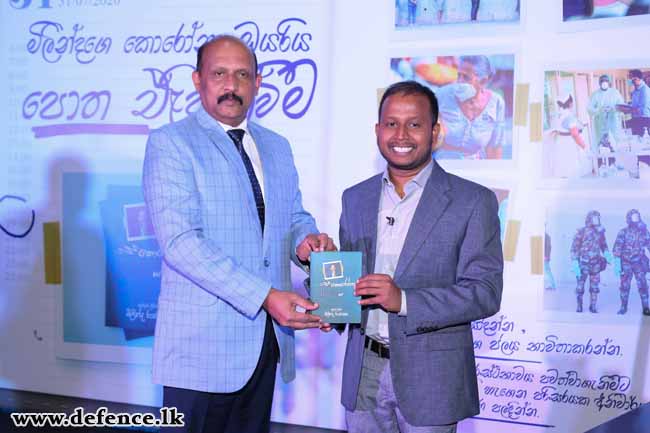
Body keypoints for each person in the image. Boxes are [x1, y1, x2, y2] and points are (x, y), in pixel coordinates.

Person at [142, 35, 334, 433]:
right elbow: (181, 243)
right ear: (198, 80)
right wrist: (265, 296)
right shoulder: (171, 143)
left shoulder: (277, 146)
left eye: (242, 74)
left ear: (258, 82)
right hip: (199, 353)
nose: (232, 85)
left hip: (264, 346)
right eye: (220, 73)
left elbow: (292, 215)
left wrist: (307, 241)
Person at [337, 81, 503, 432]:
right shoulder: (355, 199)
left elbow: (485, 292)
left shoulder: (473, 201)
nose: (401, 134)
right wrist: (323, 291)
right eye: (391, 123)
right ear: (378, 130)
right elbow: (351, 284)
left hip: (433, 378)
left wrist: (404, 301)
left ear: (435, 131)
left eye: (414, 124)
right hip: (363, 369)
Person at [435, 55, 506, 159]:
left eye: (466, 77)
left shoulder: (496, 103)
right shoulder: (442, 95)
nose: (459, 81)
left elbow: (494, 148)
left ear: (483, 81)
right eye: (459, 75)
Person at [570, 211, 613, 313]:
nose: (596, 220)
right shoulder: (581, 231)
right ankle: (579, 306)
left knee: (594, 287)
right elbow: (574, 248)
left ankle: (593, 306)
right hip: (583, 264)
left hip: (596, 264)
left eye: (598, 218)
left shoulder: (600, 232)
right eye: (594, 218)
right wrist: (575, 261)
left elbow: (604, 245)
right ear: (589, 219)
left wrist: (607, 255)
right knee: (580, 286)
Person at [612, 209, 650, 315]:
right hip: (626, 263)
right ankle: (623, 307)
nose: (636, 219)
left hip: (639, 262)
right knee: (624, 286)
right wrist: (617, 263)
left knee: (643, 285)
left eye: (637, 216)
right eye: (634, 217)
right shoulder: (623, 232)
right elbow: (617, 248)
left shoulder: (644, 232)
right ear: (629, 218)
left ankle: (646, 307)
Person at [548, 94, 591, 178]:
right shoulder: (569, 117)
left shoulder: (559, 115)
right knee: (572, 174)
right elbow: (575, 134)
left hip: (561, 146)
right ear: (570, 103)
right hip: (570, 147)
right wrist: (584, 147)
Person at [587, 74, 624, 152]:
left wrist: (613, 109)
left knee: (615, 145)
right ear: (599, 83)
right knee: (602, 147)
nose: (604, 83)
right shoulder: (595, 94)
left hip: (613, 123)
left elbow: (621, 106)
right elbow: (589, 109)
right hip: (600, 125)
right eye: (602, 81)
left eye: (606, 81)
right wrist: (599, 110)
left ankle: (615, 162)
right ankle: (602, 163)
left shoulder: (615, 92)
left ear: (609, 82)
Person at [625, 69, 650, 136]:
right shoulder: (635, 90)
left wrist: (629, 110)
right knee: (636, 141)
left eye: (633, 79)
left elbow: (643, 108)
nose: (631, 81)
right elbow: (634, 104)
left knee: (643, 142)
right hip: (636, 118)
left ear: (638, 79)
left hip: (644, 119)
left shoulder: (645, 90)